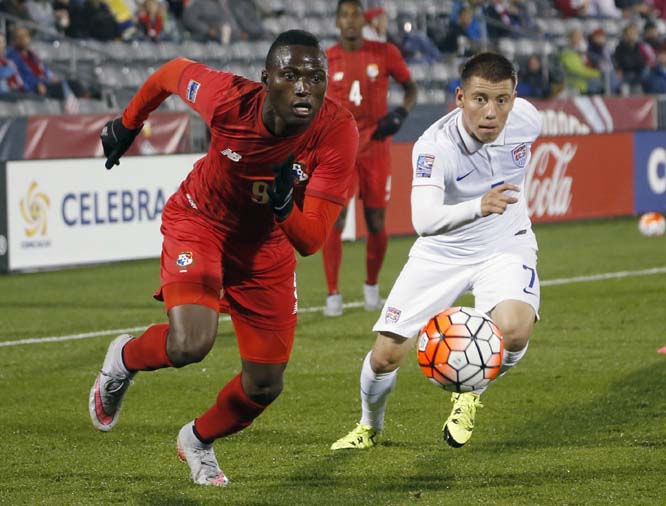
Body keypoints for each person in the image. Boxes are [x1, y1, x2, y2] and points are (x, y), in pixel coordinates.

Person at [88, 29, 358, 486]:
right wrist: (129, 123)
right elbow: (171, 74)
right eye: (289, 75)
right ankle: (125, 360)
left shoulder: (337, 131)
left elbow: (311, 239)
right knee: (192, 343)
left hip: (267, 252)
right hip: (202, 223)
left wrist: (283, 207)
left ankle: (197, 439)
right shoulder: (228, 98)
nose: (303, 87)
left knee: (265, 386)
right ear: (265, 78)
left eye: (315, 77)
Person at [331, 52, 542, 451]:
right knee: (385, 357)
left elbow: (519, 122)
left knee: (514, 332)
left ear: (514, 99)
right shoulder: (434, 147)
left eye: (502, 100)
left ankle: (470, 390)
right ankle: (368, 427)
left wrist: (494, 214)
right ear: (459, 97)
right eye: (480, 99)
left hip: (504, 244)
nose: (492, 112)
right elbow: (424, 219)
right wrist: (479, 206)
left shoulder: (528, 119)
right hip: (441, 252)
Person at [322, 0, 417, 317]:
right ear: (337, 22)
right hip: (340, 149)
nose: (349, 21)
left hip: (376, 146)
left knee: (376, 222)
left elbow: (411, 88)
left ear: (363, 19)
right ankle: (332, 294)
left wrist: (401, 114)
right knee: (335, 219)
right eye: (344, 16)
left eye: (354, 15)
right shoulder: (327, 58)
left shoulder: (386, 53)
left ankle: (371, 288)